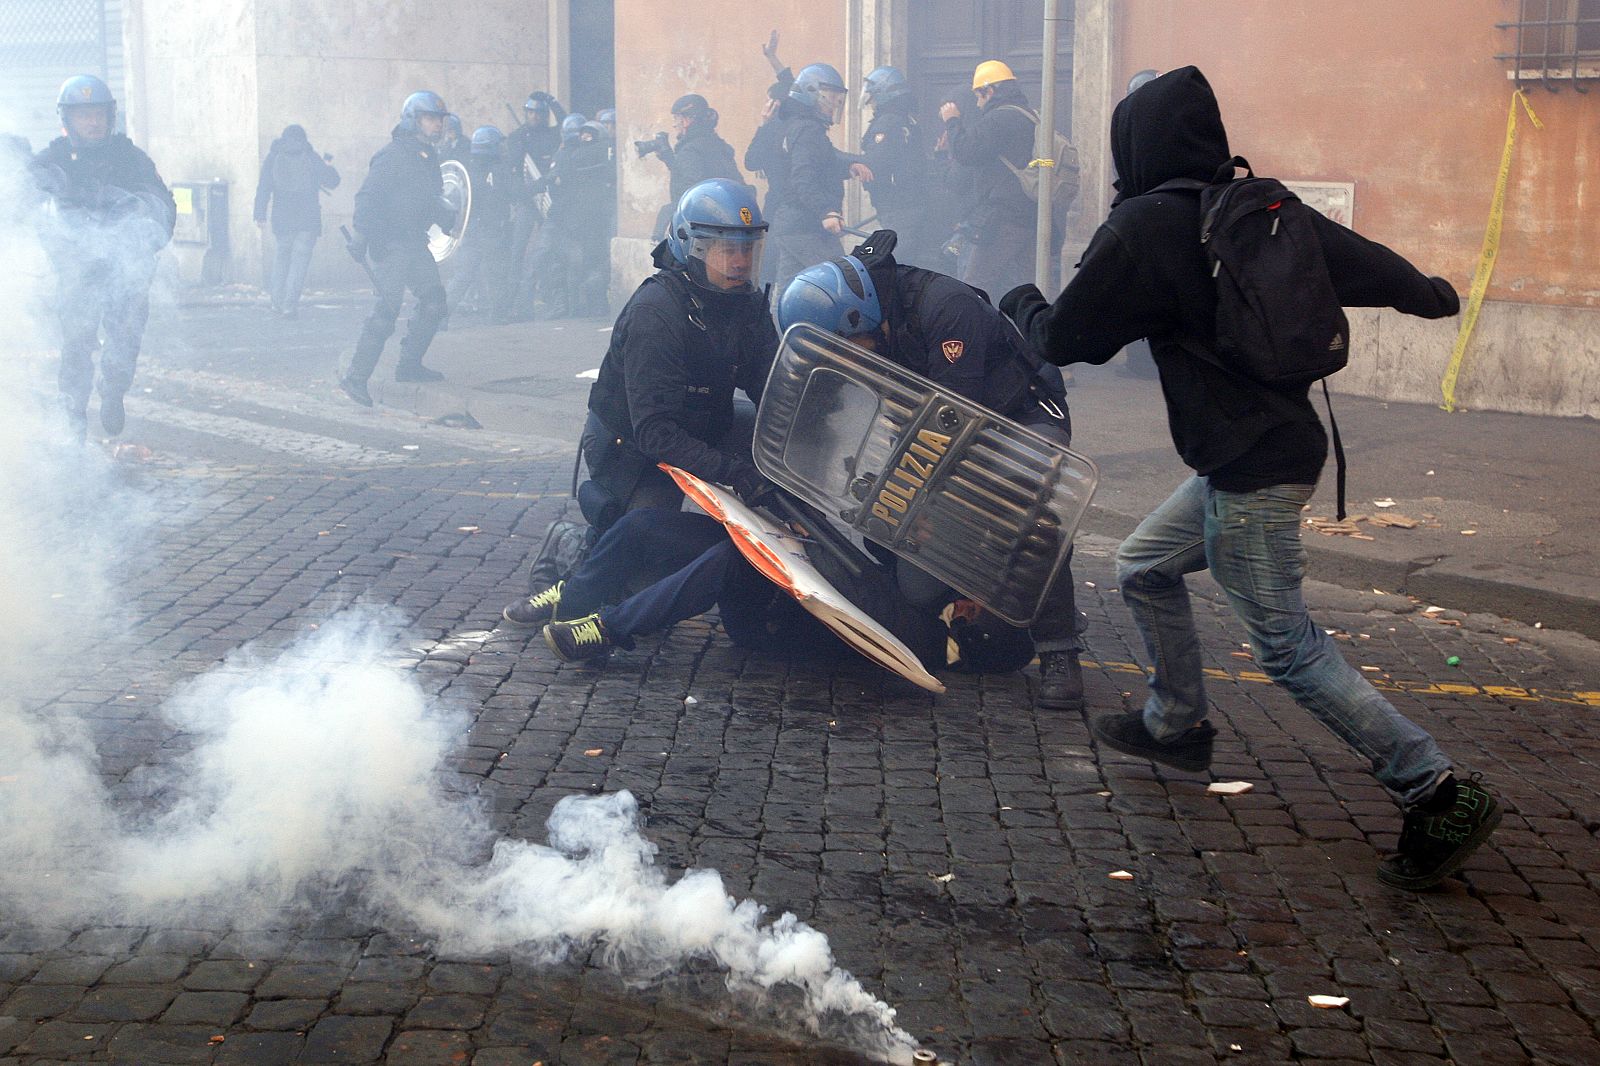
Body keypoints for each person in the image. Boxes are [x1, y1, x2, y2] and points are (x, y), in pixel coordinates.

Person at [1001, 66, 1498, 891]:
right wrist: (1431, 296)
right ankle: (1176, 723)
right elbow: (1367, 266)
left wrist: (1020, 301)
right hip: (1268, 450)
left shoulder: (1144, 227)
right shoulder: (1262, 210)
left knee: (1287, 648)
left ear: (1136, 144)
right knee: (1143, 564)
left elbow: (1063, 338)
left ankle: (1435, 789)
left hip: (1248, 470)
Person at [776, 233, 1086, 712]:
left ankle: (1060, 650)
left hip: (1021, 416)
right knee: (913, 582)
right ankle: (993, 606)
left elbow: (955, 427)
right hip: (944, 429)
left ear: (855, 320)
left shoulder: (946, 309)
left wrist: (918, 499)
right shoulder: (871, 327)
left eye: (842, 347)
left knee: (1030, 502)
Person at [501, 179, 776, 626]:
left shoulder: (745, 304)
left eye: (749, 248)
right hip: (629, 445)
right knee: (637, 577)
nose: (740, 262)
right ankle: (570, 544)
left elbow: (770, 388)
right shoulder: (658, 311)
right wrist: (734, 474)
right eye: (726, 249)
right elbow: (655, 434)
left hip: (699, 425)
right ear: (694, 248)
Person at [34, 74, 175, 439]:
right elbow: (24, 202)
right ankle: (73, 415)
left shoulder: (129, 157)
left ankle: (113, 391)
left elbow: (163, 203)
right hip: (77, 274)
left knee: (125, 339)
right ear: (68, 120)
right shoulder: (52, 160)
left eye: (98, 114)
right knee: (77, 344)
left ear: (109, 116)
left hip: (125, 272)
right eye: (84, 115)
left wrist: (143, 228)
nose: (93, 122)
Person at [339, 90, 456, 407]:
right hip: (391, 244)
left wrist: (445, 218)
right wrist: (361, 235)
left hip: (415, 243)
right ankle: (355, 377)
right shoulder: (392, 155)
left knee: (434, 302)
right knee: (386, 312)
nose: (437, 125)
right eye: (431, 119)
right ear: (413, 120)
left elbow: (426, 198)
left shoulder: (427, 157)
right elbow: (368, 197)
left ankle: (408, 365)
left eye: (440, 120)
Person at [762, 62, 873, 297]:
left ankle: (781, 333)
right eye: (829, 98)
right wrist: (826, 211)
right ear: (811, 94)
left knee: (789, 295)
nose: (834, 104)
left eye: (836, 99)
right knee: (843, 287)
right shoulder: (808, 131)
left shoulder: (794, 125)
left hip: (791, 224)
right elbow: (803, 179)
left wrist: (850, 165)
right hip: (807, 227)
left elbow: (826, 158)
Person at [939, 60, 1038, 298]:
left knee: (974, 286)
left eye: (979, 95)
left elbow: (965, 152)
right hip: (1028, 214)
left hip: (1004, 217)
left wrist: (952, 121)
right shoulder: (1028, 115)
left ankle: (971, 334)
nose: (977, 102)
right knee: (1025, 289)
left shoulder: (999, 119)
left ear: (990, 90)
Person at [253, 124, 340, 319]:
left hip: (282, 219)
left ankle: (276, 302)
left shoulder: (274, 155)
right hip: (307, 219)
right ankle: (289, 306)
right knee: (299, 264)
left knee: (281, 259)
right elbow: (333, 181)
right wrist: (327, 166)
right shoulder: (309, 155)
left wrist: (260, 213)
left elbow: (264, 186)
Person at [859, 67, 936, 266]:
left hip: (897, 206)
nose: (872, 103)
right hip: (909, 204)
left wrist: (853, 163)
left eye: (874, 97)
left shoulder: (887, 123)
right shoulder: (906, 121)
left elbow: (877, 162)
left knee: (894, 265)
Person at [642, 94, 742, 239]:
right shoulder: (717, 144)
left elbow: (692, 189)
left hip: (703, 226)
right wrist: (670, 159)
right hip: (729, 218)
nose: (674, 124)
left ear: (687, 120)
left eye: (676, 118)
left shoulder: (690, 150)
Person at [544, 120, 615, 319]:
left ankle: (596, 304)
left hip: (598, 219)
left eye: (589, 134)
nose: (584, 138)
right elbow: (559, 185)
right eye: (581, 134)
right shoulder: (571, 155)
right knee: (580, 262)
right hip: (579, 220)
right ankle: (582, 305)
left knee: (594, 261)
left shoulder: (606, 152)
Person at [504, 91, 566, 319]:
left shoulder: (551, 135)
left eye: (538, 112)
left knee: (548, 251)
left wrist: (553, 102)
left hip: (549, 198)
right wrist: (526, 192)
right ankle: (514, 305)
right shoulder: (517, 138)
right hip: (527, 201)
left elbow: (566, 125)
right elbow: (512, 174)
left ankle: (551, 298)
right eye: (530, 112)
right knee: (518, 252)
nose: (534, 116)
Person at [445, 125, 514, 321]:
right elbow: (510, 194)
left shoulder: (466, 170)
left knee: (462, 276)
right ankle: (498, 315)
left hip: (470, 229)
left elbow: (454, 198)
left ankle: (440, 317)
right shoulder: (499, 171)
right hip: (491, 230)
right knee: (495, 274)